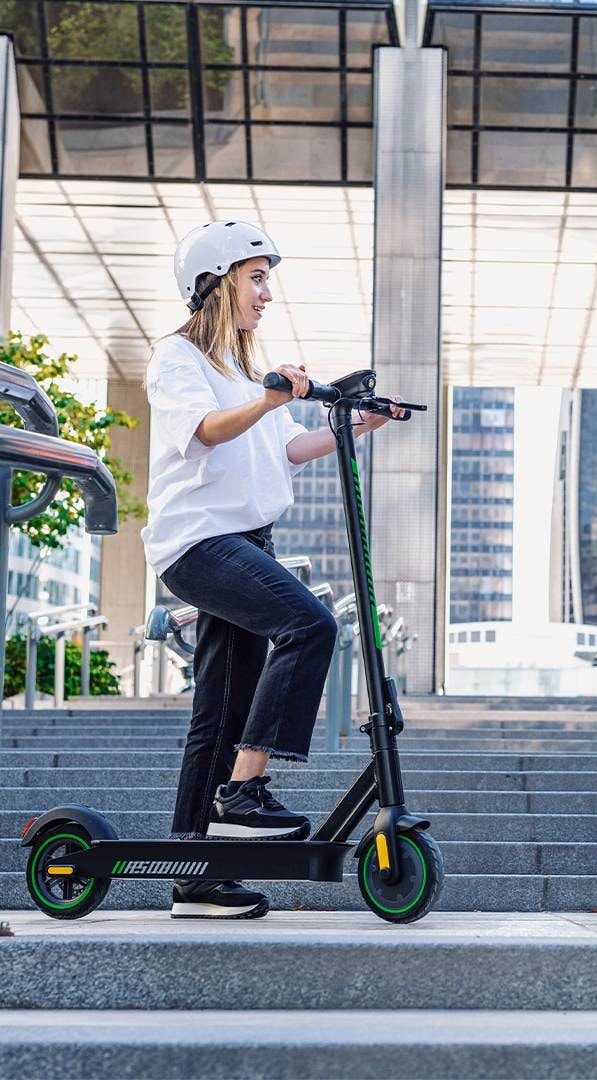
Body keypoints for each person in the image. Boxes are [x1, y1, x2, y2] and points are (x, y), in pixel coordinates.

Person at [142, 220, 404, 919]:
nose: (265, 294)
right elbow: (203, 431)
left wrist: (360, 423)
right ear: (217, 281)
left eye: (266, 280)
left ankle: (194, 875)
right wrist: (266, 399)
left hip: (246, 542)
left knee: (220, 711)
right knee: (309, 624)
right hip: (200, 541)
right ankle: (243, 793)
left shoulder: (234, 369)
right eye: (256, 278)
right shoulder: (179, 360)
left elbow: (286, 449)